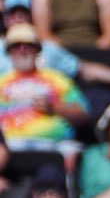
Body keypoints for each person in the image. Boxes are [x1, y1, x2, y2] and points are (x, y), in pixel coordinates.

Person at [0, 23, 88, 157]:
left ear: (38, 50)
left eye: (28, 45)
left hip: (50, 148)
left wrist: (55, 108)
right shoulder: (1, 82)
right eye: (16, 46)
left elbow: (83, 115)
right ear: (9, 52)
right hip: (7, 149)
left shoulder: (58, 79)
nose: (22, 50)